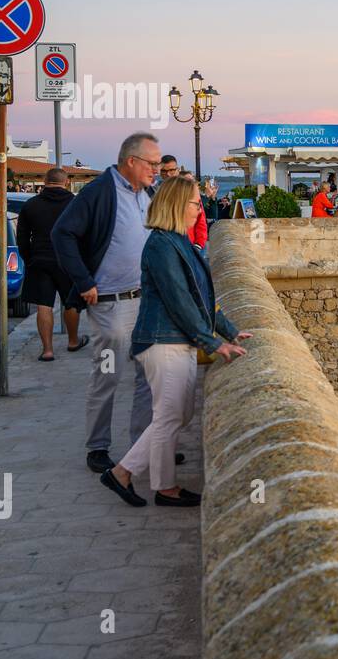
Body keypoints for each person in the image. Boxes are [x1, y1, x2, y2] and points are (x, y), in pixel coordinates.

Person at [101, 177, 250, 508]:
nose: (200, 210)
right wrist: (213, 343)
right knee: (170, 415)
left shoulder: (177, 241)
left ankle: (151, 481)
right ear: (177, 205)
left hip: (175, 341)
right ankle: (129, 475)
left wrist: (229, 330)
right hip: (162, 341)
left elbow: (202, 297)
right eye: (196, 204)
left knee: (176, 415)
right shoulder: (161, 245)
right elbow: (180, 300)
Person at [51, 132, 160, 474]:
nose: (156, 170)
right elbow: (61, 234)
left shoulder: (149, 193)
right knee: (108, 373)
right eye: (152, 163)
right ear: (131, 161)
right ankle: (97, 447)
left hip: (146, 300)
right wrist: (84, 281)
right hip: (111, 305)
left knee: (149, 375)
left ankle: (142, 447)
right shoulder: (99, 192)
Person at [17, 167, 87, 362]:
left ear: (45, 182)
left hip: (40, 260)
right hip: (68, 261)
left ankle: (47, 350)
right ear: (66, 182)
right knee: (71, 302)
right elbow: (85, 234)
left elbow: (22, 237)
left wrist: (28, 258)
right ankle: (73, 341)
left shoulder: (31, 205)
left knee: (44, 305)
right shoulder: (76, 204)